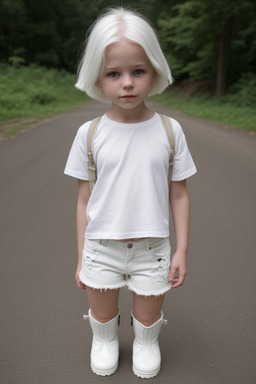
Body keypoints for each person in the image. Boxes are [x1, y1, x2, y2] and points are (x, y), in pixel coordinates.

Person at [64, 7, 197, 379]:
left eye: (137, 71)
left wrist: (181, 249)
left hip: (152, 249)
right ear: (98, 77)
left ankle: (145, 341)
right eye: (114, 73)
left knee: (148, 314)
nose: (127, 83)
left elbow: (180, 195)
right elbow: (83, 199)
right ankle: (104, 340)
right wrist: (81, 256)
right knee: (102, 311)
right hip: (101, 247)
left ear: (154, 71)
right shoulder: (88, 134)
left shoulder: (170, 131)